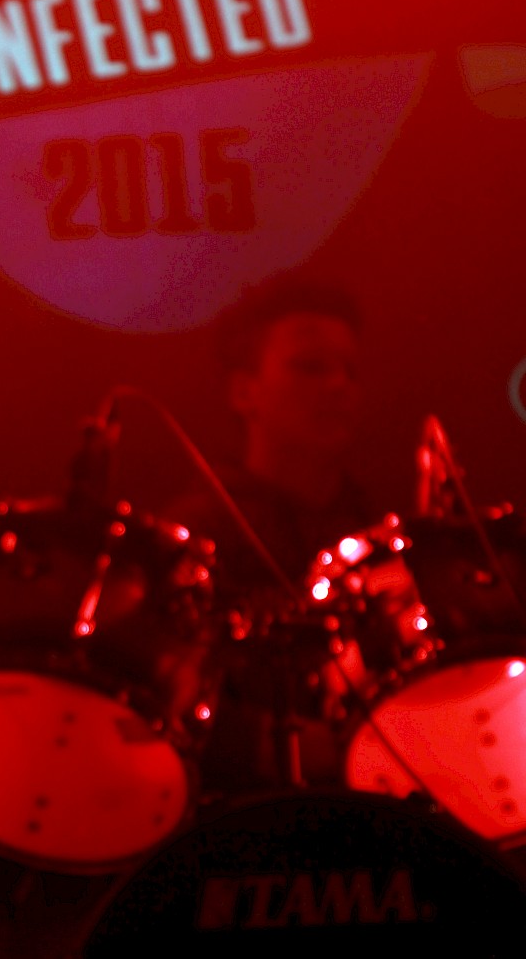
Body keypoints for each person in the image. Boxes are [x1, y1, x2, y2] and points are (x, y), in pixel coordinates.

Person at [165, 278, 377, 792]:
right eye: (311, 367)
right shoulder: (193, 537)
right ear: (245, 392)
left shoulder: (380, 534)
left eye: (351, 370)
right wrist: (272, 746)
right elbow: (153, 696)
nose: (339, 385)